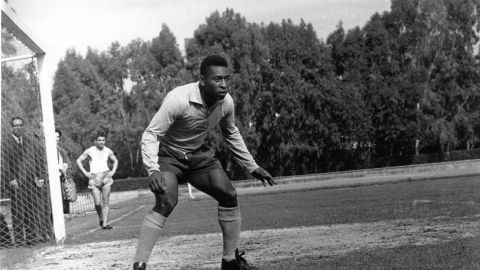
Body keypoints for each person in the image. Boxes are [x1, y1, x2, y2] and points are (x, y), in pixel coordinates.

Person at [132, 55, 276, 270]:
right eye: (217, 79)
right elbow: (151, 134)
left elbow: (231, 133)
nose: (224, 85)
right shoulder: (178, 99)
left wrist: (252, 166)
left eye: (227, 79)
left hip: (199, 156)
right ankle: (139, 265)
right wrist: (153, 169)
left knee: (229, 195)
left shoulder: (226, 102)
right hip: (169, 156)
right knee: (167, 201)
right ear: (202, 80)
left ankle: (230, 262)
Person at [0, 116, 50, 246]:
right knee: (18, 213)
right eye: (16, 125)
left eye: (21, 125)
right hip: (16, 184)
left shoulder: (29, 142)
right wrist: (11, 179)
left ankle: (31, 239)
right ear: (12, 127)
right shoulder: (5, 144)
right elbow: (4, 164)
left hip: (31, 183)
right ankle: (20, 241)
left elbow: (38, 160)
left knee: (31, 212)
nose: (19, 127)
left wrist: (40, 177)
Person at [76, 132, 118, 230]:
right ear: (96, 141)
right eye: (99, 140)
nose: (101, 142)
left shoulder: (108, 151)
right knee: (98, 203)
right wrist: (86, 173)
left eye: (103, 140)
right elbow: (78, 161)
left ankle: (105, 224)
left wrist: (113, 171)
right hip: (94, 180)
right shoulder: (90, 151)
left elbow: (115, 160)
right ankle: (101, 218)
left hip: (106, 179)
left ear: (105, 141)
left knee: (106, 202)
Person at [55, 129, 73, 215]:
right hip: (51, 182)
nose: (56, 139)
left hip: (62, 181)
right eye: (54, 136)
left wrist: (65, 170)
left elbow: (69, 166)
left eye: (57, 137)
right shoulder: (44, 150)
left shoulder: (62, 151)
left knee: (63, 210)